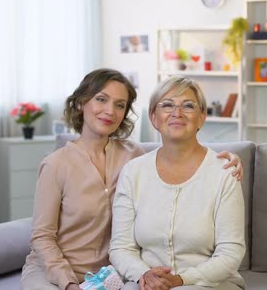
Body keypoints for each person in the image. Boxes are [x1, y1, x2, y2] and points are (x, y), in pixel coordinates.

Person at [21, 69, 243, 290]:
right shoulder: (57, 164)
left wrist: (227, 160)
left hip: (110, 272)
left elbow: (179, 151)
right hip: (59, 271)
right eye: (101, 99)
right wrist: (68, 284)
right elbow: (42, 236)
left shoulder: (132, 156)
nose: (110, 111)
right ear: (80, 103)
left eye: (120, 105)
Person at [109, 76, 246, 290]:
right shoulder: (132, 172)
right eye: (167, 105)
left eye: (188, 106)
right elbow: (120, 247)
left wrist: (181, 280)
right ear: (154, 117)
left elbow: (231, 252)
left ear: (202, 117)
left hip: (210, 283)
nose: (177, 113)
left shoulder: (224, 173)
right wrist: (144, 274)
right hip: (146, 282)